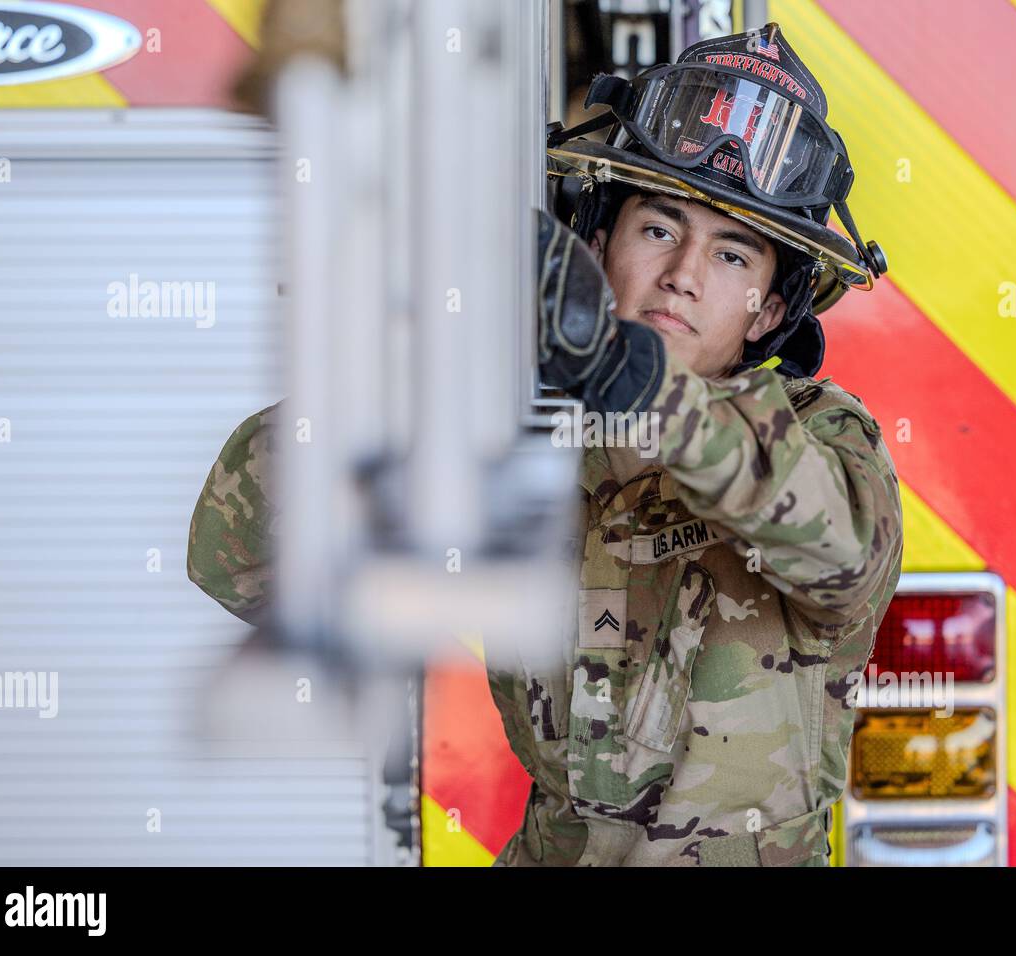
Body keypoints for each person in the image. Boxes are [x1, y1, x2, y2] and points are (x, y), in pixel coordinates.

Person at [187, 23, 903, 868]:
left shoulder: (821, 438)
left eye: (733, 253)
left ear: (772, 311)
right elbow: (236, 558)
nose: (684, 273)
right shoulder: (521, 428)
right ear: (597, 244)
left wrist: (633, 377)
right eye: (659, 228)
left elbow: (844, 552)